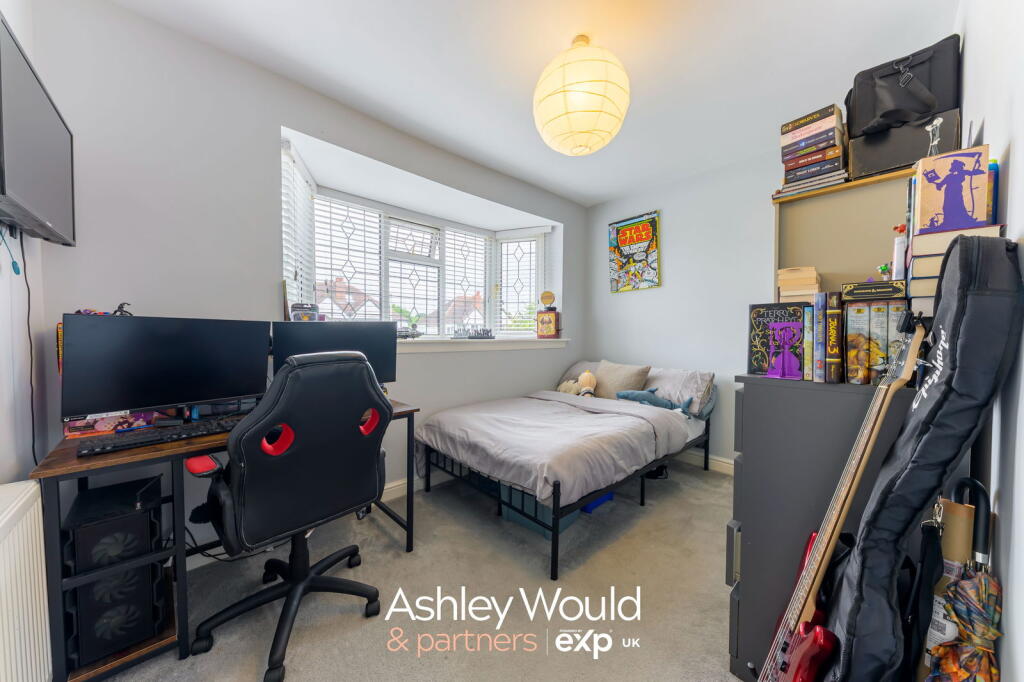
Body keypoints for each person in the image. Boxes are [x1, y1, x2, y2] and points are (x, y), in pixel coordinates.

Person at [926, 158, 985, 229]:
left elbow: (972, 172)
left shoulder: (962, 172)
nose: (952, 167)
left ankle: (963, 221)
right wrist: (936, 184)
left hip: (956, 192)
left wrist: (978, 166)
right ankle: (948, 222)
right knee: (947, 207)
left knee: (958, 206)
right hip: (949, 193)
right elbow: (940, 185)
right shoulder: (949, 176)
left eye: (953, 166)